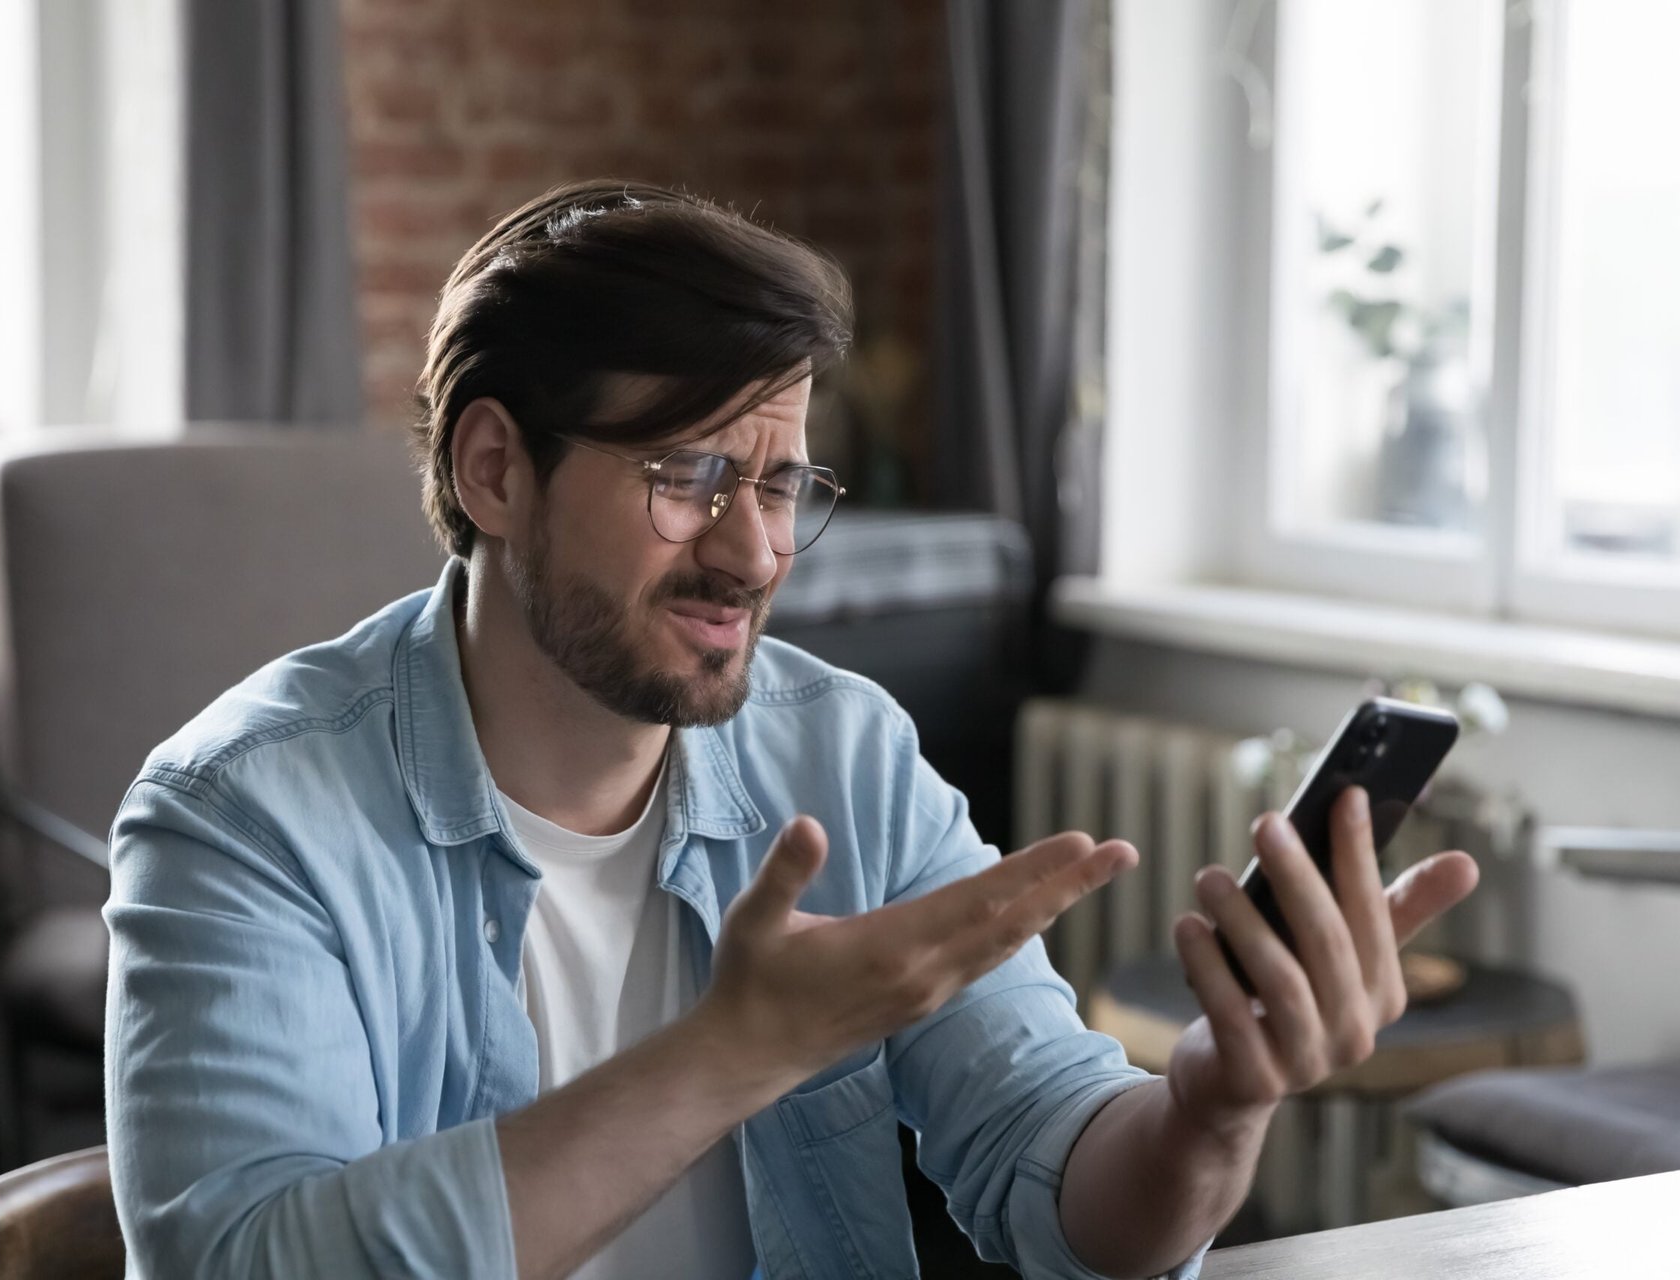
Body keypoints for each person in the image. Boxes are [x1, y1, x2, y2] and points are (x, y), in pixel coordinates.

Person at [104, 180, 1480, 1279]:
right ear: (495, 470)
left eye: (779, 485)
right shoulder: (242, 817)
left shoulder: (843, 757)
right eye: (688, 475)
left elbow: (1058, 1169)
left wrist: (1210, 1110)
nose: (754, 553)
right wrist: (734, 1049)